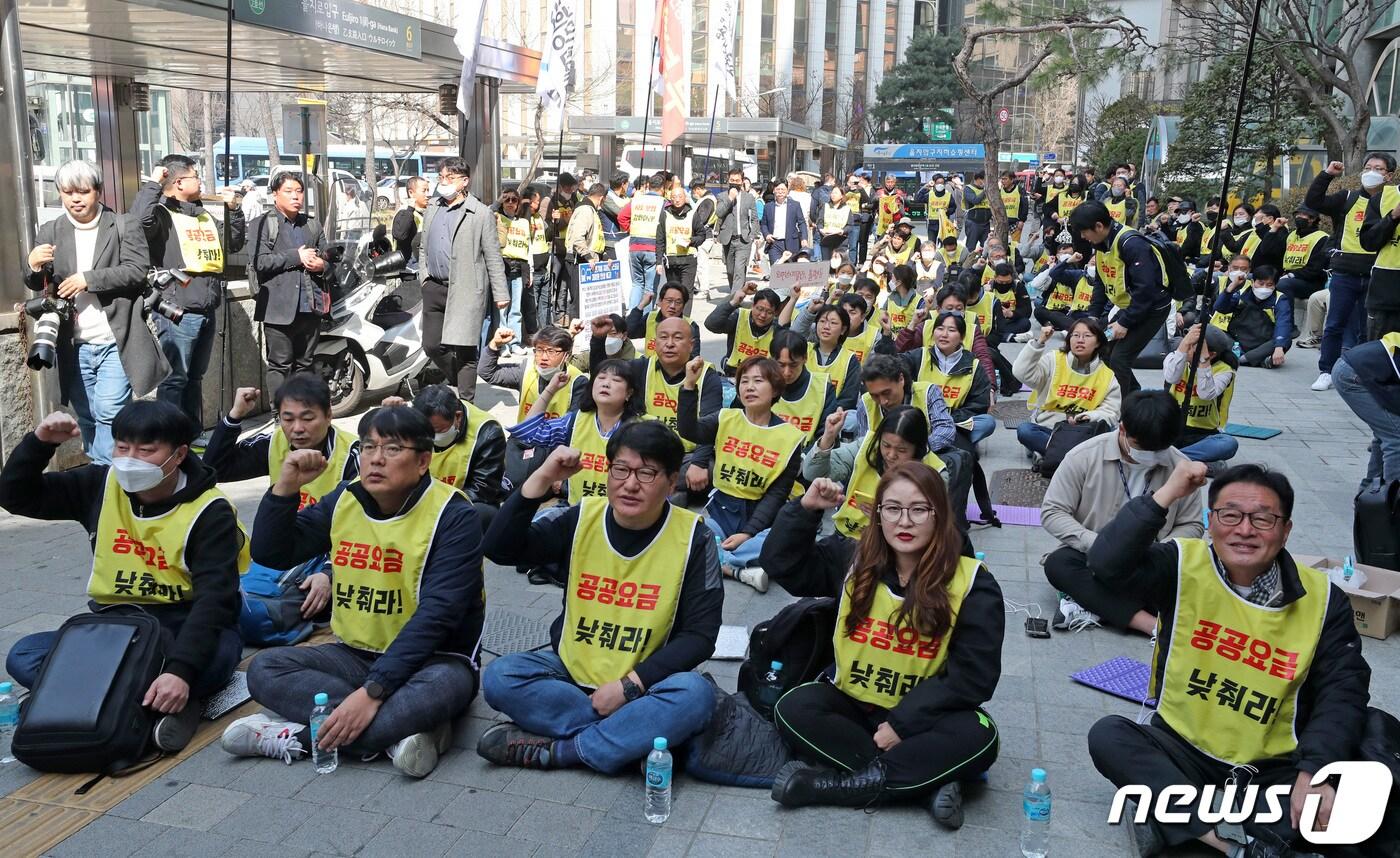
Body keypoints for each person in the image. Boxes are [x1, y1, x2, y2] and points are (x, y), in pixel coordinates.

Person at [1086, 463, 1371, 857]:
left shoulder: (1324, 598)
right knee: (1109, 736)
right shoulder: (1181, 564)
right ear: (1210, 520)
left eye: (1263, 519)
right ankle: (1236, 844)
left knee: (1338, 822)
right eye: (1230, 515)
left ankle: (1192, 827)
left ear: (1286, 530)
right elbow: (1106, 564)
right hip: (1181, 748)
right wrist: (1169, 490)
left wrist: (1316, 772)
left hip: (1271, 768)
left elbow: (1344, 690)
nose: (1245, 529)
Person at [226, 406, 484, 778]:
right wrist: (285, 489)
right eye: (367, 447)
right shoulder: (347, 496)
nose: (376, 459)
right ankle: (398, 736)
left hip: (434, 660)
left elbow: (438, 615)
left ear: (423, 460)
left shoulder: (454, 515)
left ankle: (296, 736)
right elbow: (272, 553)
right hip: (354, 656)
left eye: (393, 449)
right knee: (265, 668)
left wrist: (372, 693)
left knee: (445, 687)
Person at [762, 465, 1002, 829]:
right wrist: (805, 509)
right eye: (892, 509)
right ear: (878, 515)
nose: (904, 521)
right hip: (855, 707)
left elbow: (974, 677)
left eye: (919, 509)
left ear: (939, 513)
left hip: (927, 718)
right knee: (793, 707)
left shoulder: (972, 583)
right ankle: (923, 783)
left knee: (982, 735)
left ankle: (831, 787)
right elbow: (781, 564)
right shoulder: (854, 561)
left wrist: (903, 725)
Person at [474, 422, 721, 774]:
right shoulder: (581, 517)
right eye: (620, 469)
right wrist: (542, 478)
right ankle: (633, 737)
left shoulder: (695, 538)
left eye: (647, 473)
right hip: (570, 673)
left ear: (671, 481)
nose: (630, 484)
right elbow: (499, 549)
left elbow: (701, 636)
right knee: (500, 676)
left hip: (648, 683)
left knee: (695, 694)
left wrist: (628, 688)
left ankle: (562, 752)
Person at [0, 402, 243, 752]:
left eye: (146, 450)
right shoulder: (100, 484)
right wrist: (39, 444)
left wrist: (180, 671)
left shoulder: (210, 511)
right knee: (24, 655)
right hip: (114, 627)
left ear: (178, 455)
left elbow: (214, 602)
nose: (131, 459)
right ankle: (150, 707)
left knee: (212, 663)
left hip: (181, 625)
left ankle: (100, 699)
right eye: (122, 447)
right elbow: (16, 497)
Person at [26, 159, 163, 464]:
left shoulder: (124, 225)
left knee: (110, 411)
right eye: (67, 192)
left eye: (83, 191)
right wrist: (33, 265)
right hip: (72, 344)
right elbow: (40, 283)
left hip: (115, 338)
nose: (75, 199)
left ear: (98, 191)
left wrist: (89, 279)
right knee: (87, 416)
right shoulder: (51, 230)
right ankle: (107, 475)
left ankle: (103, 480)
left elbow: (137, 270)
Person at [1041, 391, 1204, 634]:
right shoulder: (1084, 456)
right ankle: (1153, 625)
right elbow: (1053, 512)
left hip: (1148, 562)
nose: (1152, 455)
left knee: (1192, 577)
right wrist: (1100, 545)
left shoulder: (1180, 465)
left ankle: (1095, 605)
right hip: (1093, 558)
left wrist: (1159, 551)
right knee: (1058, 564)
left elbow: (1192, 524)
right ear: (1122, 429)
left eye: (1160, 449)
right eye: (1143, 447)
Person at [133, 154, 244, 427]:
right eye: (196, 176)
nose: (201, 181)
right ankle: (169, 438)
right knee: (176, 378)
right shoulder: (161, 212)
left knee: (194, 378)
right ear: (179, 182)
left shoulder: (203, 214)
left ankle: (192, 437)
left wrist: (235, 210)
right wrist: (153, 183)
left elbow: (233, 242)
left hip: (207, 305)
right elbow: (138, 222)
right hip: (177, 308)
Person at [678, 356, 804, 590]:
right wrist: (688, 386)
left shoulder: (790, 438)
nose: (750, 387)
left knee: (790, 540)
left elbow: (776, 496)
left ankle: (719, 559)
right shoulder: (726, 417)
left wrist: (748, 533)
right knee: (691, 532)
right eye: (744, 381)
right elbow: (688, 430)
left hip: (760, 517)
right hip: (721, 511)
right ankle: (736, 569)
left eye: (758, 381)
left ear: (775, 389)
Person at [594, 315, 722, 504]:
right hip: (644, 453)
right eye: (663, 337)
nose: (669, 344)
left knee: (712, 468)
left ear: (692, 345)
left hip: (686, 456)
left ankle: (655, 493)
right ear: (654, 342)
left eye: (677, 338)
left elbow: (711, 426)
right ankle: (666, 495)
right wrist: (598, 341)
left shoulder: (707, 376)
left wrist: (699, 463)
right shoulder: (641, 367)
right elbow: (603, 376)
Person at [420, 157, 510, 399]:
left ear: (464, 181)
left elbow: (493, 256)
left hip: (466, 289)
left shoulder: (480, 213)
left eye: (450, 178)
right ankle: (457, 381)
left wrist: (501, 293)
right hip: (434, 286)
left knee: (465, 348)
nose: (444, 182)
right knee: (431, 345)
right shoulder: (433, 207)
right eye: (441, 177)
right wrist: (424, 276)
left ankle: (466, 403)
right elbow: (423, 246)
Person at [204, 374, 359, 509]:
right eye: (288, 419)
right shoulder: (274, 443)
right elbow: (214, 470)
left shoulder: (353, 455)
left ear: (328, 415)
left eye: (307, 418)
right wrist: (234, 416)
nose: (297, 428)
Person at [1070, 200, 1174, 394]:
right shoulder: (1101, 243)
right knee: (1105, 351)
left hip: (1151, 308)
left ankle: (1123, 410)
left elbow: (1146, 291)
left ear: (1099, 226)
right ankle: (1134, 394)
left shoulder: (1132, 244)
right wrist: (1092, 316)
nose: (1083, 237)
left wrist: (1124, 323)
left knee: (1119, 358)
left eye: (1084, 232)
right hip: (1130, 306)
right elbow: (1102, 281)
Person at [806, 405, 947, 539]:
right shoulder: (866, 446)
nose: (891, 455)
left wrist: (886, 519)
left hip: (894, 548)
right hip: (845, 536)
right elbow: (812, 473)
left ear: (918, 449)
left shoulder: (936, 473)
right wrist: (828, 437)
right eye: (886, 445)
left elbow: (933, 528)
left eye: (901, 450)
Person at [508, 358, 639, 503]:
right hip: (577, 511)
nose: (606, 384)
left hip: (624, 513)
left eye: (616, 380)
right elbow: (530, 432)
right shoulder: (575, 420)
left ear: (629, 393)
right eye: (600, 378)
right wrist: (550, 390)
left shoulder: (644, 427)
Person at [1314, 154, 1393, 390]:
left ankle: (1358, 373)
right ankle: (1326, 371)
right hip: (1345, 272)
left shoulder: (1390, 200)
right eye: (1368, 167)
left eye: (1378, 168)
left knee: (1366, 328)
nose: (1371, 172)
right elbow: (1315, 201)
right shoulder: (1347, 198)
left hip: (1377, 274)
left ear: (1389, 175)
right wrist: (1326, 175)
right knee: (1334, 323)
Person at [251, 172, 331, 396]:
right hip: (278, 308)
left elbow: (328, 259)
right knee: (280, 365)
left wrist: (321, 266)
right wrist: (296, 256)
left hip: (310, 305)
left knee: (305, 364)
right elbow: (260, 261)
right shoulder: (263, 224)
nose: (295, 196)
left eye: (299, 191)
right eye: (289, 191)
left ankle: (304, 410)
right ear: (275, 194)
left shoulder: (312, 225)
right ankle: (280, 415)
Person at [479, 324, 589, 485]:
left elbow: (577, 430)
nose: (544, 357)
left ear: (566, 355)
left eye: (551, 351)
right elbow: (487, 372)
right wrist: (495, 345)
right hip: (523, 444)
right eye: (539, 350)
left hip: (554, 449)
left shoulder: (578, 381)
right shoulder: (527, 371)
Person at [395, 383, 507, 526]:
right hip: (424, 500)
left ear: (458, 417)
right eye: (425, 432)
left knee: (480, 512)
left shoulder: (487, 433)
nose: (431, 438)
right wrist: (390, 421)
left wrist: (438, 508)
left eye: (437, 430)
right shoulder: (417, 423)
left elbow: (482, 490)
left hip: (463, 503)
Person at [1013, 318, 1122, 456]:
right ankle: (1077, 457)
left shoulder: (1107, 375)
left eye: (1087, 336)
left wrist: (1088, 416)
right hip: (1049, 428)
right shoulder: (1054, 360)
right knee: (1025, 430)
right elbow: (1021, 373)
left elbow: (1111, 412)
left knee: (1113, 434)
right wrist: (1039, 342)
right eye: (1075, 335)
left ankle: (1051, 454)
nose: (1080, 340)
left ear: (1098, 342)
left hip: (1083, 432)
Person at [1163, 324, 1240, 466]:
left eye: (1192, 346)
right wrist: (1184, 345)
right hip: (1170, 427)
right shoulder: (1176, 357)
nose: (1186, 348)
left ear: (1211, 354)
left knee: (1228, 444)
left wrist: (1203, 361)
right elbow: (1171, 377)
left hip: (1202, 433)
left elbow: (1205, 394)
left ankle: (1171, 459)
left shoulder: (1225, 370)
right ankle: (1192, 461)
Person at [1334, 332, 1400, 488]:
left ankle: (1370, 494)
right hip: (1353, 375)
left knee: (1386, 432)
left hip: (1358, 367)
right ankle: (1393, 503)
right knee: (1396, 437)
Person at [783, 301, 863, 409]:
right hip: (799, 410)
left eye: (833, 323)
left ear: (843, 330)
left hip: (832, 416)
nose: (826, 327)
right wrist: (809, 310)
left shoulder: (850, 359)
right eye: (822, 321)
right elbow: (791, 336)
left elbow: (848, 399)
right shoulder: (804, 349)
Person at [1214, 264, 1292, 368]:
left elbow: (1283, 323)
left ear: (1275, 285)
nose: (1264, 288)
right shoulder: (1242, 293)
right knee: (1214, 332)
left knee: (1285, 340)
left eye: (1269, 285)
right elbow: (1220, 308)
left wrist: (1279, 347)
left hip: (1262, 344)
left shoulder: (1280, 299)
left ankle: (1239, 359)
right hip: (1238, 342)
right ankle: (1257, 360)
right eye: (1261, 283)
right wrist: (1232, 286)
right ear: (1252, 282)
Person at [769, 330, 838, 446]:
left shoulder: (823, 387)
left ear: (805, 358)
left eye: (793, 365)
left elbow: (824, 436)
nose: (787, 372)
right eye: (781, 365)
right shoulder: (763, 383)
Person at [705, 281, 782, 376]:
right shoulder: (739, 316)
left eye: (769, 312)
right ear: (752, 306)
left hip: (763, 378)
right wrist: (734, 302)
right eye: (760, 309)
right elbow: (711, 324)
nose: (763, 315)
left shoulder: (778, 329)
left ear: (775, 313)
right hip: (734, 374)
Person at [619, 172, 667, 309]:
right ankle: (645, 322)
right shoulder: (663, 203)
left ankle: (632, 316)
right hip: (653, 248)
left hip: (634, 246)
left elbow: (622, 216)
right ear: (662, 188)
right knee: (649, 289)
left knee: (637, 284)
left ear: (648, 186)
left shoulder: (636, 200)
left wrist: (631, 229)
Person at [492, 188, 532, 349]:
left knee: (516, 310)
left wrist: (529, 272)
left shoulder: (523, 223)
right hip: (503, 266)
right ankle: (502, 346)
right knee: (502, 310)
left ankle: (514, 343)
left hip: (520, 267)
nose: (510, 203)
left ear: (518, 203)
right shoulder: (496, 218)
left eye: (513, 200)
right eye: (506, 199)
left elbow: (529, 247)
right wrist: (498, 201)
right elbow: (488, 211)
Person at [625, 281, 701, 359]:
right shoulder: (650, 318)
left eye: (678, 302)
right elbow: (629, 332)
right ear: (660, 301)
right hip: (651, 369)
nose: (672, 306)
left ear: (683, 306)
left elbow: (694, 357)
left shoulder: (690, 326)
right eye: (669, 300)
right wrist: (641, 305)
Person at [715, 167, 761, 296]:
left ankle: (734, 300)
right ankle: (736, 293)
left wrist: (752, 235)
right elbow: (719, 213)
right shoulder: (722, 196)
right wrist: (730, 198)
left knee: (739, 271)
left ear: (742, 181)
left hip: (744, 240)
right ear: (728, 180)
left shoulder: (749, 198)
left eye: (737, 180)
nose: (734, 182)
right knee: (731, 271)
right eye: (732, 180)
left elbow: (754, 218)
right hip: (728, 239)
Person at [1274, 206, 1329, 312]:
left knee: (1283, 285)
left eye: (1302, 215)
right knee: (1258, 279)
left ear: (1312, 219)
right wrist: (1274, 229)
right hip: (1289, 276)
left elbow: (1315, 270)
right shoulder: (1291, 236)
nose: (1298, 217)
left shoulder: (1322, 238)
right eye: (1297, 215)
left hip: (1311, 282)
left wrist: (1291, 275)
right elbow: (1269, 250)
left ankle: (1288, 324)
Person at [658, 182, 702, 295]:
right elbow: (660, 239)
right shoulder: (665, 215)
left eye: (680, 196)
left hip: (689, 259)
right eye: (674, 197)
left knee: (687, 292)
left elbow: (702, 235)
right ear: (670, 199)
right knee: (674, 293)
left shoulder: (693, 214)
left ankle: (685, 314)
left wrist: (691, 241)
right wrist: (658, 262)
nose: (677, 200)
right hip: (671, 260)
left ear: (685, 198)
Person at [390, 176, 431, 279]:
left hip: (422, 266)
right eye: (424, 191)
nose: (427, 195)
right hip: (410, 269)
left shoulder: (423, 211)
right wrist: (410, 209)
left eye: (428, 190)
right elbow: (400, 235)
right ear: (411, 193)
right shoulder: (404, 212)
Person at [761, 181, 811, 264]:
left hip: (792, 243)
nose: (780, 192)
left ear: (787, 191)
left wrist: (804, 239)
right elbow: (763, 224)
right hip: (774, 243)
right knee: (776, 270)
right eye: (778, 189)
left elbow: (801, 223)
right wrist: (766, 235)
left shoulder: (795, 205)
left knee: (791, 272)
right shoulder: (768, 206)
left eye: (783, 189)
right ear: (774, 190)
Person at [814, 184, 855, 259]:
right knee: (826, 264)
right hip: (826, 239)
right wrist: (821, 229)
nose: (833, 195)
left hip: (840, 241)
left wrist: (842, 231)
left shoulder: (847, 209)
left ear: (842, 195)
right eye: (832, 193)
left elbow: (850, 225)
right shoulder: (825, 206)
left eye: (836, 193)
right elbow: (820, 221)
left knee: (838, 265)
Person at [962, 172, 991, 252]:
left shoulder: (986, 190)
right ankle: (968, 263)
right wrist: (985, 191)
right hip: (973, 223)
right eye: (985, 180)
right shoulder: (968, 189)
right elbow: (975, 200)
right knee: (970, 248)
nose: (986, 182)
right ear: (978, 179)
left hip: (986, 223)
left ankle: (984, 263)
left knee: (986, 247)